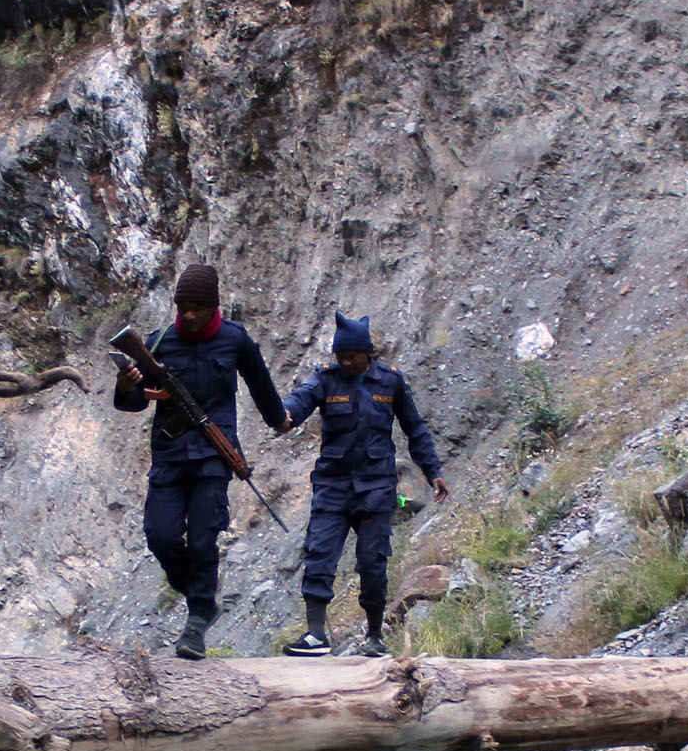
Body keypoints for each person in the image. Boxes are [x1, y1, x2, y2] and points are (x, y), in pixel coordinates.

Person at [112, 261, 289, 660]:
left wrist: (281, 420)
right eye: (182, 306)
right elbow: (132, 403)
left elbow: (261, 386)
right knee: (160, 535)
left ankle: (197, 620)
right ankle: (197, 591)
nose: (188, 315)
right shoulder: (156, 343)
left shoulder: (235, 340)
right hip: (170, 455)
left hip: (214, 453)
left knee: (205, 538)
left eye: (197, 307)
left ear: (214, 306)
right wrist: (127, 385)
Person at [280, 313, 448, 657]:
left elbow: (414, 429)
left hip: (375, 489)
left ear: (366, 353)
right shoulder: (325, 380)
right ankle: (315, 635)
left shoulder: (390, 383)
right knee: (319, 556)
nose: (344, 361)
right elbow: (295, 405)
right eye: (340, 355)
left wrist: (433, 471)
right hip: (332, 487)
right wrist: (281, 415)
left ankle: (374, 636)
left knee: (373, 563)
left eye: (351, 356)